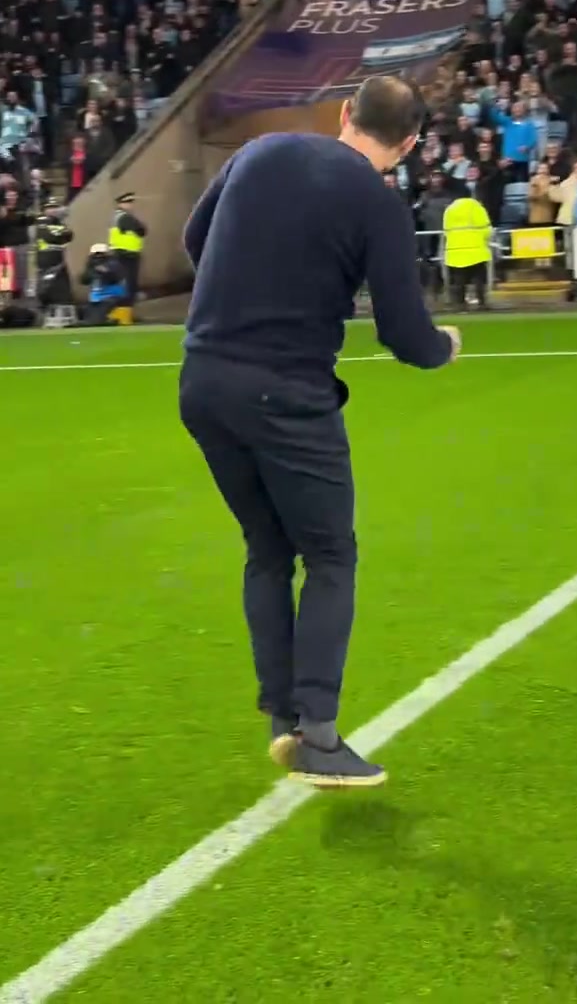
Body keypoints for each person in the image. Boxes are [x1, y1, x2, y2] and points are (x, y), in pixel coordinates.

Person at [179, 76, 461, 788]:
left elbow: (194, 238)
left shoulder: (259, 151)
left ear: (344, 114)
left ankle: (283, 718)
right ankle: (319, 735)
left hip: (203, 379)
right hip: (285, 392)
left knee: (267, 548)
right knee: (332, 555)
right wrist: (445, 346)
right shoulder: (378, 202)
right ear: (409, 143)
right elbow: (404, 333)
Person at [442, 194, 493, 308]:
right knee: (479, 278)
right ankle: (482, 302)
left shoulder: (449, 209)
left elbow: (446, 231)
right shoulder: (477, 207)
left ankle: (459, 303)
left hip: (455, 250)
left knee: (459, 279)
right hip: (476, 249)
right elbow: (486, 229)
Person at [108, 191, 147, 310]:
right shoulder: (125, 217)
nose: (130, 205)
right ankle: (126, 310)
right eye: (128, 202)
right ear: (121, 204)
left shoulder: (116, 216)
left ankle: (125, 310)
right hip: (127, 254)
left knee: (124, 282)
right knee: (129, 283)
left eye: (131, 202)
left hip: (121, 253)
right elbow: (142, 230)